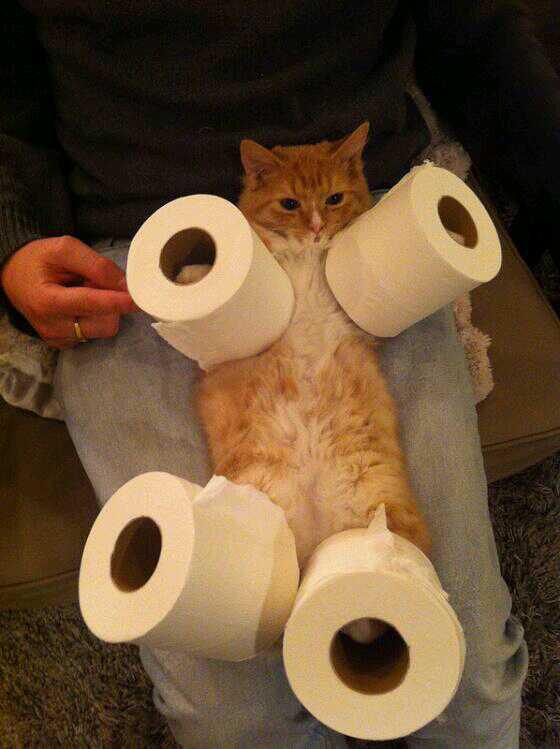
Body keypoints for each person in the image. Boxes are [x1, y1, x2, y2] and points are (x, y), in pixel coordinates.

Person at [5, 1, 558, 746]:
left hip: (373, 228)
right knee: (236, 715)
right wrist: (13, 240)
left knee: (461, 667)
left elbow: (478, 33)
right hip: (146, 236)